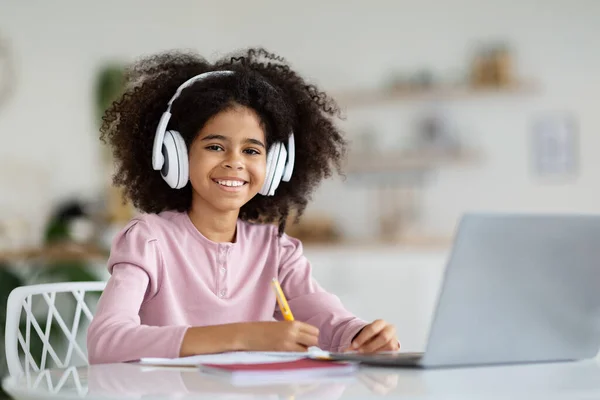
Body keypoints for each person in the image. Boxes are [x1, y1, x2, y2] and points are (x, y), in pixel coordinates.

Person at [87, 48, 399, 364]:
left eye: (251, 151)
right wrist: (241, 335)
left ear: (276, 166)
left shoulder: (276, 251)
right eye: (215, 146)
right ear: (175, 155)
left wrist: (361, 335)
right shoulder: (147, 240)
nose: (235, 162)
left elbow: (327, 320)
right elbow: (107, 342)